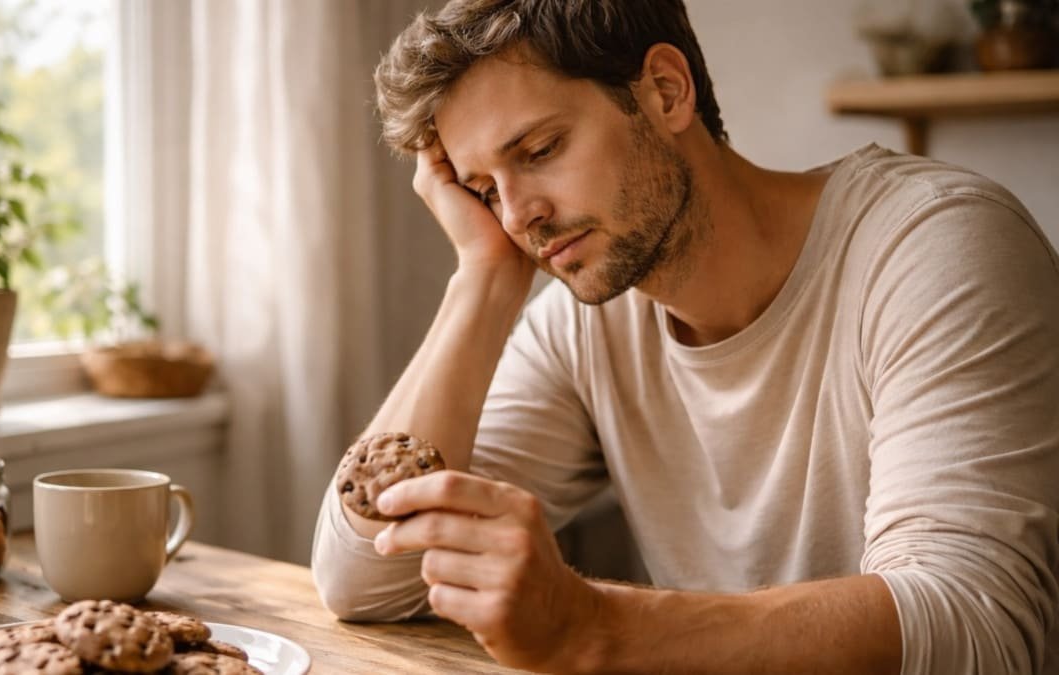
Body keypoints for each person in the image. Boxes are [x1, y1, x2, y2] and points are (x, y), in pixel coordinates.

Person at [310, 1, 1059, 673]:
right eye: (483, 190)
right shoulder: (581, 322)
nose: (516, 217)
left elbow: (976, 628)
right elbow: (362, 577)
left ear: (665, 91)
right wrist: (482, 280)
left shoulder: (934, 246)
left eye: (538, 151)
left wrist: (590, 625)